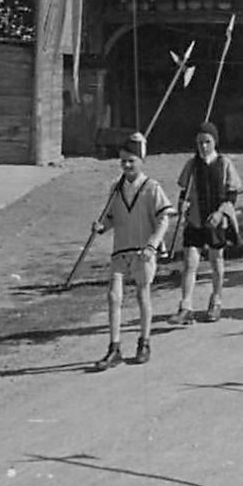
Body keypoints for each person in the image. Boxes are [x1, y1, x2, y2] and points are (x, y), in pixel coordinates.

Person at [91, 133, 174, 370]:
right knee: (113, 296)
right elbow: (110, 218)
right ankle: (114, 347)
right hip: (120, 249)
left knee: (142, 294)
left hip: (142, 251)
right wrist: (101, 228)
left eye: (131, 161)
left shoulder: (151, 188)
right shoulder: (115, 189)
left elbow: (164, 219)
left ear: (141, 161)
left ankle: (144, 342)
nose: (126, 166)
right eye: (123, 161)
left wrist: (153, 244)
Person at [170, 121, 242, 325]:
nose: (203, 147)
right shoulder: (191, 165)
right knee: (190, 262)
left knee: (216, 261)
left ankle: (216, 300)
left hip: (216, 222)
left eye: (207, 142)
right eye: (200, 142)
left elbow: (232, 194)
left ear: (215, 142)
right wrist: (182, 204)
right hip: (195, 220)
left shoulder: (224, 163)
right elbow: (184, 192)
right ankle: (185, 306)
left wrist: (221, 213)